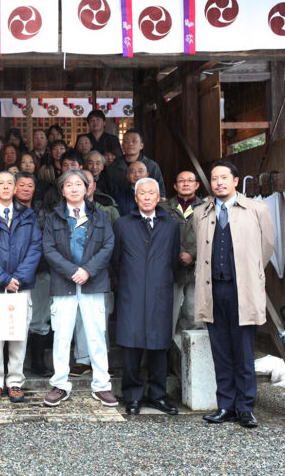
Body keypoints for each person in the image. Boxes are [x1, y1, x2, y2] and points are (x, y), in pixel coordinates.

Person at [195, 161, 274, 428]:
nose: (219, 182)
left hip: (243, 289)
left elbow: (267, 247)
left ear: (236, 181)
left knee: (243, 351)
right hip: (213, 289)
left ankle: (245, 407)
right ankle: (225, 405)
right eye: (215, 178)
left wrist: (249, 273)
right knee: (220, 351)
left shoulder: (257, 209)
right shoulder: (201, 212)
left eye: (224, 178)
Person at [42, 169, 117, 407]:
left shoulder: (101, 216)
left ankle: (102, 385)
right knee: (62, 336)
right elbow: (48, 248)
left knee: (96, 335)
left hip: (93, 282)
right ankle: (60, 384)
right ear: (62, 191)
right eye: (69, 185)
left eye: (78, 184)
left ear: (87, 188)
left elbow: (108, 245)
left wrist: (87, 270)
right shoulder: (53, 217)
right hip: (64, 283)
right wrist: (71, 271)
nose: (74, 188)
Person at [113, 178, 180, 416]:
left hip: (160, 291)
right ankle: (132, 396)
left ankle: (158, 396)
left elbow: (173, 260)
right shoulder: (122, 224)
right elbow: (116, 260)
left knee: (159, 346)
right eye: (143, 193)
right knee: (131, 347)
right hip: (131, 291)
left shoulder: (171, 225)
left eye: (152, 193)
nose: (148, 197)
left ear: (159, 196)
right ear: (135, 197)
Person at [0, 171, 42, 404]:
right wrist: (3, 279)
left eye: (9, 183)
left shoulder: (28, 216)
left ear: (15, 189)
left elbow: (35, 249)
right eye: (0, 183)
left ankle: (15, 381)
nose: (5, 187)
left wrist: (18, 279)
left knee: (18, 335)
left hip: (21, 287)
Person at [69, 169, 119, 378]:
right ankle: (82, 360)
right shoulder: (66, 212)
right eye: (76, 182)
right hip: (74, 274)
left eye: (86, 182)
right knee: (80, 318)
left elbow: (115, 245)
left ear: (93, 186)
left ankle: (102, 358)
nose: (81, 186)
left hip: (102, 273)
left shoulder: (107, 211)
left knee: (100, 319)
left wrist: (115, 272)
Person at [14, 172, 53, 378]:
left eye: (30, 185)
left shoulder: (43, 211)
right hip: (12, 275)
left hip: (40, 270)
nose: (26, 189)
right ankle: (12, 366)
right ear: (13, 187)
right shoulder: (6, 210)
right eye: (22, 185)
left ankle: (38, 362)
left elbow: (48, 241)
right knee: (12, 320)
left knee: (39, 319)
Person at [160, 170, 205, 343]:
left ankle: (194, 364)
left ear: (197, 185)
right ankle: (167, 361)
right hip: (170, 270)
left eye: (190, 180)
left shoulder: (206, 208)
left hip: (196, 270)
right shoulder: (163, 208)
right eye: (181, 181)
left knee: (195, 314)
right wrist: (177, 253)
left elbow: (211, 237)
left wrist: (193, 255)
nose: (186, 183)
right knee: (167, 316)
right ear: (175, 185)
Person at [107, 129, 166, 198]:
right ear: (122, 146)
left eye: (134, 141)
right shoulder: (113, 166)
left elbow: (160, 191)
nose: (130, 144)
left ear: (141, 146)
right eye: (126, 141)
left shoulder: (152, 166)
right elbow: (108, 192)